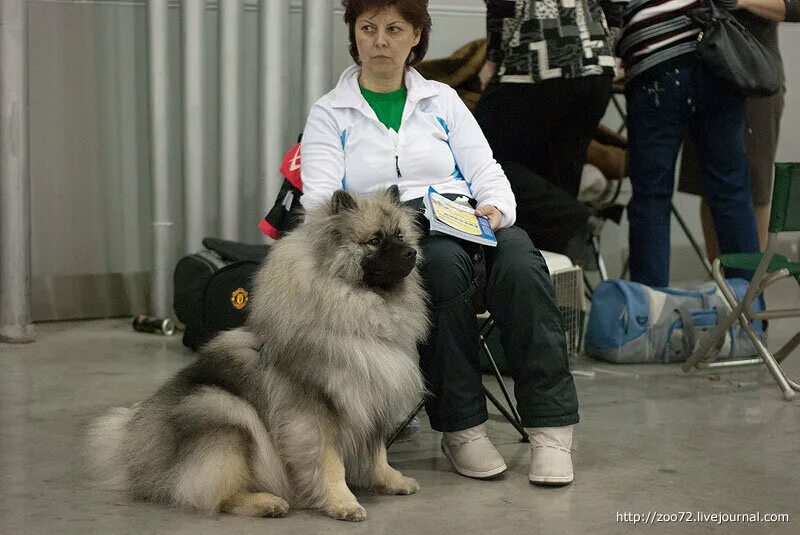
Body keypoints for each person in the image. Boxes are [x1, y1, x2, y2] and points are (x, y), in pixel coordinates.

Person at [300, 0, 579, 485]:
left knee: (520, 263)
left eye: (394, 29)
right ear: (355, 35)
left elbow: (485, 168)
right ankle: (463, 428)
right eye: (368, 28)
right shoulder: (329, 112)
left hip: (466, 215)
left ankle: (551, 426)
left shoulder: (442, 100)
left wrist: (495, 206)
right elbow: (321, 201)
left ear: (415, 37)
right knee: (443, 269)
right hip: (394, 235)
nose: (380, 41)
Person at [618, 0, 762, 287]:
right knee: (732, 191)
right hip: (716, 55)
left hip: (654, 62)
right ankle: (749, 313)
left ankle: (651, 318)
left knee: (652, 197)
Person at [472, 0, 624, 261]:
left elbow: (503, 6)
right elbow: (616, 6)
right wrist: (607, 49)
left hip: (536, 57)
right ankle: (559, 277)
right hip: (596, 63)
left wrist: (494, 60)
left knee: (478, 156)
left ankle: (574, 219)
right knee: (560, 170)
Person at [679, 1, 798, 262]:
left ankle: (750, 284)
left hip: (753, 70)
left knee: (756, 182)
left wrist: (741, 1)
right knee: (708, 182)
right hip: (704, 63)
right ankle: (719, 283)